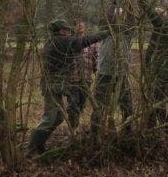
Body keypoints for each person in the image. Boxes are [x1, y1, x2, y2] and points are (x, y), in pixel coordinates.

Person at [27, 19, 110, 155]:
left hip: (56, 85)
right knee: (49, 118)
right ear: (61, 31)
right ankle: (32, 148)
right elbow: (82, 42)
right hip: (51, 85)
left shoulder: (55, 41)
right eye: (67, 30)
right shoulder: (60, 41)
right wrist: (105, 33)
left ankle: (39, 145)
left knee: (59, 117)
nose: (69, 32)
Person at [91, 0, 136, 135]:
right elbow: (106, 18)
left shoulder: (127, 32)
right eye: (117, 16)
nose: (119, 18)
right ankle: (95, 132)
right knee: (99, 103)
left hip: (121, 72)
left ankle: (127, 131)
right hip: (105, 71)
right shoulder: (107, 30)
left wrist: (129, 3)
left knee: (127, 104)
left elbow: (131, 20)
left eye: (121, 16)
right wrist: (114, 1)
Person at [138, 0, 168, 130]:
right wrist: (146, 67)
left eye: (158, 13)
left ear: (164, 13)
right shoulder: (159, 31)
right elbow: (151, 49)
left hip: (166, 71)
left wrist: (141, 0)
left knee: (157, 102)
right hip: (157, 69)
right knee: (151, 101)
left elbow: (154, 18)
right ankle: (151, 130)